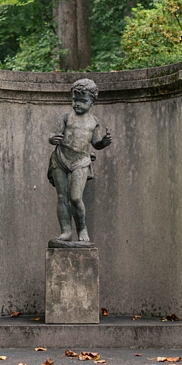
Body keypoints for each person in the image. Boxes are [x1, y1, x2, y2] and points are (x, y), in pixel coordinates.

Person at [48, 78, 112, 245]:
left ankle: (82, 228)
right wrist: (52, 138)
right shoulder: (65, 117)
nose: (77, 104)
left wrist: (103, 142)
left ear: (92, 102)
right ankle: (66, 232)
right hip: (61, 158)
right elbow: (54, 135)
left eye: (83, 101)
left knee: (76, 198)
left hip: (81, 161)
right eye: (75, 99)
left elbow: (96, 143)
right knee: (62, 196)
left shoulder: (93, 122)